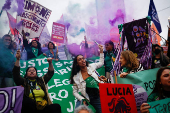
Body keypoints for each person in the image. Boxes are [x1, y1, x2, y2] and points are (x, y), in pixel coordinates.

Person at [70, 44, 108, 113]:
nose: (82, 60)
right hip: (88, 97)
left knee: (102, 111)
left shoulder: (91, 66)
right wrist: (82, 99)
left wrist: (101, 51)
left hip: (98, 94)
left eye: (83, 58)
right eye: (79, 59)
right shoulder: (76, 77)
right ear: (77, 64)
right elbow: (74, 92)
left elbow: (101, 63)